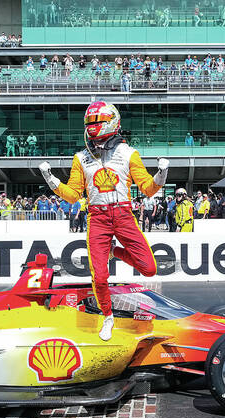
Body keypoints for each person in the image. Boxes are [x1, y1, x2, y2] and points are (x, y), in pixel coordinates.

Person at [39, 101, 169, 341]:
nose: (93, 128)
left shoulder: (129, 153)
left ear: (112, 123)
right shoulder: (81, 158)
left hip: (123, 214)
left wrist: (161, 175)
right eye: (90, 123)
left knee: (149, 269)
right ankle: (107, 316)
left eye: (97, 122)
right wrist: (50, 179)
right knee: (98, 277)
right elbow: (74, 195)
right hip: (97, 218)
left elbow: (148, 189)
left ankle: (113, 252)